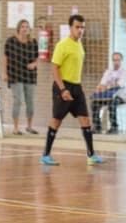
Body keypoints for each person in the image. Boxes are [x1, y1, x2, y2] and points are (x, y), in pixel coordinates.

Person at [40, 14, 105, 166]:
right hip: (63, 86)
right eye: (77, 27)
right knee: (56, 121)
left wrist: (74, 89)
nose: (80, 30)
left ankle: (91, 154)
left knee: (85, 119)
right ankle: (45, 155)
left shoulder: (79, 45)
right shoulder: (62, 45)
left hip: (77, 87)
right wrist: (63, 90)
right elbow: (54, 68)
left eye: (82, 27)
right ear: (70, 27)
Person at [3, 19, 39, 135]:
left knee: (30, 101)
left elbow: (38, 57)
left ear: (29, 29)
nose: (25, 29)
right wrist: (5, 73)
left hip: (29, 75)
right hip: (15, 74)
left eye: (27, 27)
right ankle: (15, 127)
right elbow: (5, 58)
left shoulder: (33, 42)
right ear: (19, 28)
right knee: (18, 100)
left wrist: (34, 64)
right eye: (23, 26)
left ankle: (29, 126)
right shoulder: (11, 41)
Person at [91, 52, 126, 134]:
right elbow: (102, 84)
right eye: (114, 60)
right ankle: (97, 126)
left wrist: (107, 87)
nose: (116, 62)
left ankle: (114, 127)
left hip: (119, 97)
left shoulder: (124, 72)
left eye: (118, 60)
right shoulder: (108, 72)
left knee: (112, 103)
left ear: (121, 60)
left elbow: (119, 84)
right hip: (107, 96)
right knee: (94, 103)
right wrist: (99, 88)